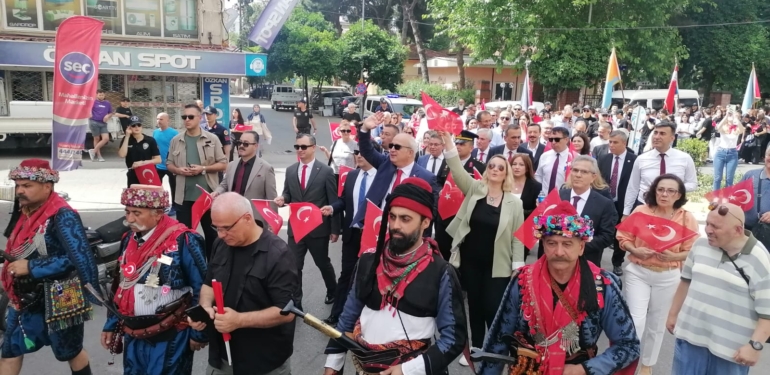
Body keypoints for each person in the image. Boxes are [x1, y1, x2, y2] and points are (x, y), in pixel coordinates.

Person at [323, 178, 467, 375]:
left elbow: (453, 338)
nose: (396, 225)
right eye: (392, 217)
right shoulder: (368, 261)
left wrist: (408, 370)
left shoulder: (441, 272)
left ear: (425, 222)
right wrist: (334, 361)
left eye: (405, 219)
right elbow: (348, 316)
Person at [479, 201, 640, 375]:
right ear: (543, 246)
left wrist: (583, 369)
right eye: (551, 243)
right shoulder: (522, 281)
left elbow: (628, 345)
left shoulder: (602, 285)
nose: (559, 252)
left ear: (581, 247)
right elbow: (498, 341)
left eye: (567, 244)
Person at [1, 159, 99, 375]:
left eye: (27, 186)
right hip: (25, 297)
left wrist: (32, 266)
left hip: (61, 295)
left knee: (70, 352)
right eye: (18, 186)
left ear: (47, 186)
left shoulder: (63, 215)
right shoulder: (25, 209)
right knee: (9, 351)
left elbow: (78, 258)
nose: (20, 191)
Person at [100, 185, 208, 375]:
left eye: (136, 213)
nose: (129, 219)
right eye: (127, 212)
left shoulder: (184, 240)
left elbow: (202, 289)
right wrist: (111, 324)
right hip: (133, 333)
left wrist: (199, 334)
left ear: (158, 214)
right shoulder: (128, 239)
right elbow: (120, 286)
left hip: (171, 335)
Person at [190, 193, 298, 375]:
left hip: (262, 361)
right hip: (221, 359)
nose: (221, 234)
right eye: (216, 228)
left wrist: (239, 320)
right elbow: (209, 283)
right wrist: (205, 308)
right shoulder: (220, 244)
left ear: (247, 218)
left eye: (226, 228)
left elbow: (286, 312)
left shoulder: (277, 254)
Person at [440, 131, 525, 360]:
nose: (495, 170)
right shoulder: (476, 189)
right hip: (470, 261)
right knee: (474, 307)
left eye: (500, 167)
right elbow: (457, 170)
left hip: (498, 265)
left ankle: (494, 348)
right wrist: (449, 143)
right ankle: (477, 349)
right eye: (492, 166)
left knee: (493, 308)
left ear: (506, 173)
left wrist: (518, 265)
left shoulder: (514, 203)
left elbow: (519, 237)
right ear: (486, 170)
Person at [667, 203, 770, 375]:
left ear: (737, 230)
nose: (707, 230)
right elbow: (686, 281)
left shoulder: (759, 258)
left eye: (715, 226)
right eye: (707, 223)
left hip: (731, 352)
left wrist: (755, 346)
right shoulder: (700, 245)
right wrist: (672, 314)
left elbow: (767, 312)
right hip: (689, 340)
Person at [615, 174, 698, 375]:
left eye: (671, 191)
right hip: (638, 272)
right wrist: (634, 250)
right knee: (636, 320)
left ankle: (647, 365)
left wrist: (674, 256)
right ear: (654, 190)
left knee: (657, 324)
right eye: (660, 189)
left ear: (679, 194)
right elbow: (622, 237)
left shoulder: (686, 217)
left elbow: (694, 249)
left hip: (668, 276)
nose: (664, 194)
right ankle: (629, 361)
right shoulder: (641, 211)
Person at [274, 134, 340, 308]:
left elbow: (333, 202)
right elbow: (288, 193)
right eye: (297, 147)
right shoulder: (290, 170)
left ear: (313, 148)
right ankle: (296, 301)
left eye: (303, 147)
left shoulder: (325, 172)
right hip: (296, 228)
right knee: (294, 266)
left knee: (322, 263)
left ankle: (333, 290)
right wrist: (283, 199)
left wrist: (335, 229)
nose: (300, 150)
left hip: (318, 229)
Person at [352, 112, 439, 235]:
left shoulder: (427, 178)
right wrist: (365, 129)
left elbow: (432, 211)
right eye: (391, 145)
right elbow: (366, 150)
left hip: (405, 234)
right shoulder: (385, 164)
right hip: (376, 228)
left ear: (410, 152)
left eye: (397, 147)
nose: (392, 149)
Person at [319, 150, 377, 325]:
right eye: (357, 152)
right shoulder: (351, 176)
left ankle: (364, 318)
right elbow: (344, 200)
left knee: (370, 276)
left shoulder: (382, 177)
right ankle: (337, 314)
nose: (359, 155)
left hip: (372, 235)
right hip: (352, 234)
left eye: (363, 153)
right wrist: (333, 207)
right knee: (346, 275)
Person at [166, 104, 228, 258]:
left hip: (207, 198)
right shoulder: (176, 140)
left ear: (199, 118)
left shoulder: (212, 138)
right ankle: (191, 269)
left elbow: (223, 163)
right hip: (184, 197)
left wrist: (203, 169)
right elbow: (169, 163)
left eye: (190, 117)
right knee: (185, 237)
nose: (187, 120)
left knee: (212, 237)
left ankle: (212, 270)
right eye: (184, 117)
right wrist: (178, 170)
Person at [551, 156, 617, 266]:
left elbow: (607, 236)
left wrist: (576, 246)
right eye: (575, 170)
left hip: (587, 261)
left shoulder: (604, 204)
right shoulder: (558, 197)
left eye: (584, 172)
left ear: (593, 177)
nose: (578, 175)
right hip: (556, 260)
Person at [624, 121, 698, 217]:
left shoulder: (685, 158)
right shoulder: (642, 159)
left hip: (672, 209)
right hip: (645, 206)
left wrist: (673, 190)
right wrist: (626, 212)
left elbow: (692, 184)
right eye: (655, 132)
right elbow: (632, 187)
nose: (657, 137)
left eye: (662, 133)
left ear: (672, 138)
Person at [431, 130, 486, 260]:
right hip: (444, 216)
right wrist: (440, 190)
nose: (458, 146)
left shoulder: (479, 166)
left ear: (471, 147)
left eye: (462, 144)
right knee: (441, 251)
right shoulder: (446, 162)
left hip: (464, 215)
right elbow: (438, 181)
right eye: (456, 143)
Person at [213, 131, 278, 228]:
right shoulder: (231, 165)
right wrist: (217, 192)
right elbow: (225, 184)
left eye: (246, 144)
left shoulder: (266, 168)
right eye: (240, 143)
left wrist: (273, 223)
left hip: (254, 220)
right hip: (232, 217)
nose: (241, 146)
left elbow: (272, 199)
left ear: (255, 146)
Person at [598, 130, 637, 275]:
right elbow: (599, 180)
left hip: (624, 203)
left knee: (620, 234)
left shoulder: (634, 160)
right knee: (603, 231)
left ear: (624, 143)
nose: (611, 145)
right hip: (606, 202)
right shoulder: (604, 158)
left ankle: (617, 263)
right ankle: (596, 263)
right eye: (610, 142)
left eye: (615, 142)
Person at [118, 115, 161, 187]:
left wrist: (142, 163)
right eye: (133, 125)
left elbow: (158, 159)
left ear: (142, 126)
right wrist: (127, 136)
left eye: (139, 125)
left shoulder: (150, 140)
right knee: (134, 197)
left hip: (148, 173)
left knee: (148, 197)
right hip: (133, 174)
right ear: (129, 127)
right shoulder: (126, 139)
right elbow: (122, 155)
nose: (136, 127)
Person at [153, 113, 178, 214]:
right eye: (158, 119)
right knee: (157, 187)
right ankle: (160, 206)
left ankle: (175, 207)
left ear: (168, 121)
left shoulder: (174, 133)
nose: (159, 121)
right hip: (158, 166)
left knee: (174, 187)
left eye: (161, 119)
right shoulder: (155, 132)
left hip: (171, 166)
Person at [535, 126, 572, 195]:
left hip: (564, 198)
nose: (553, 142)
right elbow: (538, 176)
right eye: (551, 139)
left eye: (557, 139)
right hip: (545, 198)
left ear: (566, 140)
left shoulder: (574, 157)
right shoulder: (544, 156)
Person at [741, 147, 770, 231]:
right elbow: (735, 197)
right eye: (769, 155)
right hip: (749, 230)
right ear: (765, 156)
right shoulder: (751, 175)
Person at [713, 112, 745, 190]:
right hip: (721, 152)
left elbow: (742, 129)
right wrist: (726, 116)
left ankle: (727, 197)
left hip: (732, 153)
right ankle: (715, 197)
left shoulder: (736, 129)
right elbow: (718, 127)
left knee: (729, 179)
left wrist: (736, 118)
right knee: (717, 178)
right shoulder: (723, 128)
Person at [509, 153, 542, 221]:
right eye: (514, 164)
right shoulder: (504, 183)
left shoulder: (536, 186)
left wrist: (516, 213)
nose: (517, 167)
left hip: (524, 224)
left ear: (527, 168)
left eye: (521, 165)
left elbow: (536, 211)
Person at [88, 89, 114, 162]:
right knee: (96, 138)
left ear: (104, 95)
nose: (101, 96)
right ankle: (99, 156)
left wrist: (108, 116)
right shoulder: (93, 102)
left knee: (106, 139)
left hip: (103, 123)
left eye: (102, 95)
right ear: (96, 95)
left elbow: (111, 112)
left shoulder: (107, 103)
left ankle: (93, 151)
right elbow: (87, 109)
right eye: (100, 95)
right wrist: (89, 113)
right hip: (94, 122)